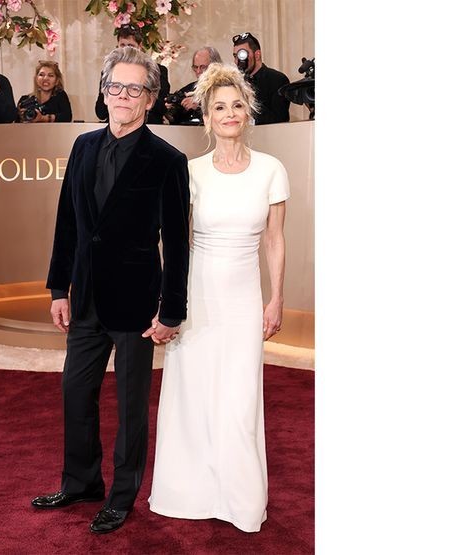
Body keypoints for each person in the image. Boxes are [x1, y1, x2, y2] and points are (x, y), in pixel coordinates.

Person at [32, 45, 190, 535]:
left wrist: (172, 309)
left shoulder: (167, 160)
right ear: (104, 93)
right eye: (114, 86)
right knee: (75, 391)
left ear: (150, 98)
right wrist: (59, 288)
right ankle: (81, 482)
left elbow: (177, 241)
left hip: (138, 302)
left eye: (133, 89)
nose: (122, 95)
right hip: (85, 298)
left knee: (130, 405)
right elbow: (67, 223)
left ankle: (122, 496)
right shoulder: (82, 146)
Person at [148, 62, 289, 533]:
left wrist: (276, 299)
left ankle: (239, 499)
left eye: (236, 106)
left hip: (245, 299)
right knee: (192, 393)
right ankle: (188, 491)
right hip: (197, 295)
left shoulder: (271, 170)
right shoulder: (190, 172)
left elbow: (274, 240)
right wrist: (169, 303)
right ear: (206, 118)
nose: (229, 114)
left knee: (240, 396)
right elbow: (175, 242)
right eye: (219, 108)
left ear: (248, 112)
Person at [94, 26, 171, 125]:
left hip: (149, 125)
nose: (126, 50)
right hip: (115, 125)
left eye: (130, 45)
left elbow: (160, 108)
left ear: (140, 46)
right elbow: (101, 112)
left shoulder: (158, 71)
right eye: (122, 45)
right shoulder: (109, 71)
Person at [231, 32, 291, 125]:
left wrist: (248, 97)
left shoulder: (277, 80)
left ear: (257, 55)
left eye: (242, 55)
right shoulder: (233, 83)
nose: (238, 61)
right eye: (235, 56)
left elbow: (279, 120)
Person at [163, 46, 222, 125]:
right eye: (195, 67)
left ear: (215, 66)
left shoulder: (225, 88)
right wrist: (172, 108)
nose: (198, 71)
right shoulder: (188, 89)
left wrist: (200, 106)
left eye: (203, 67)